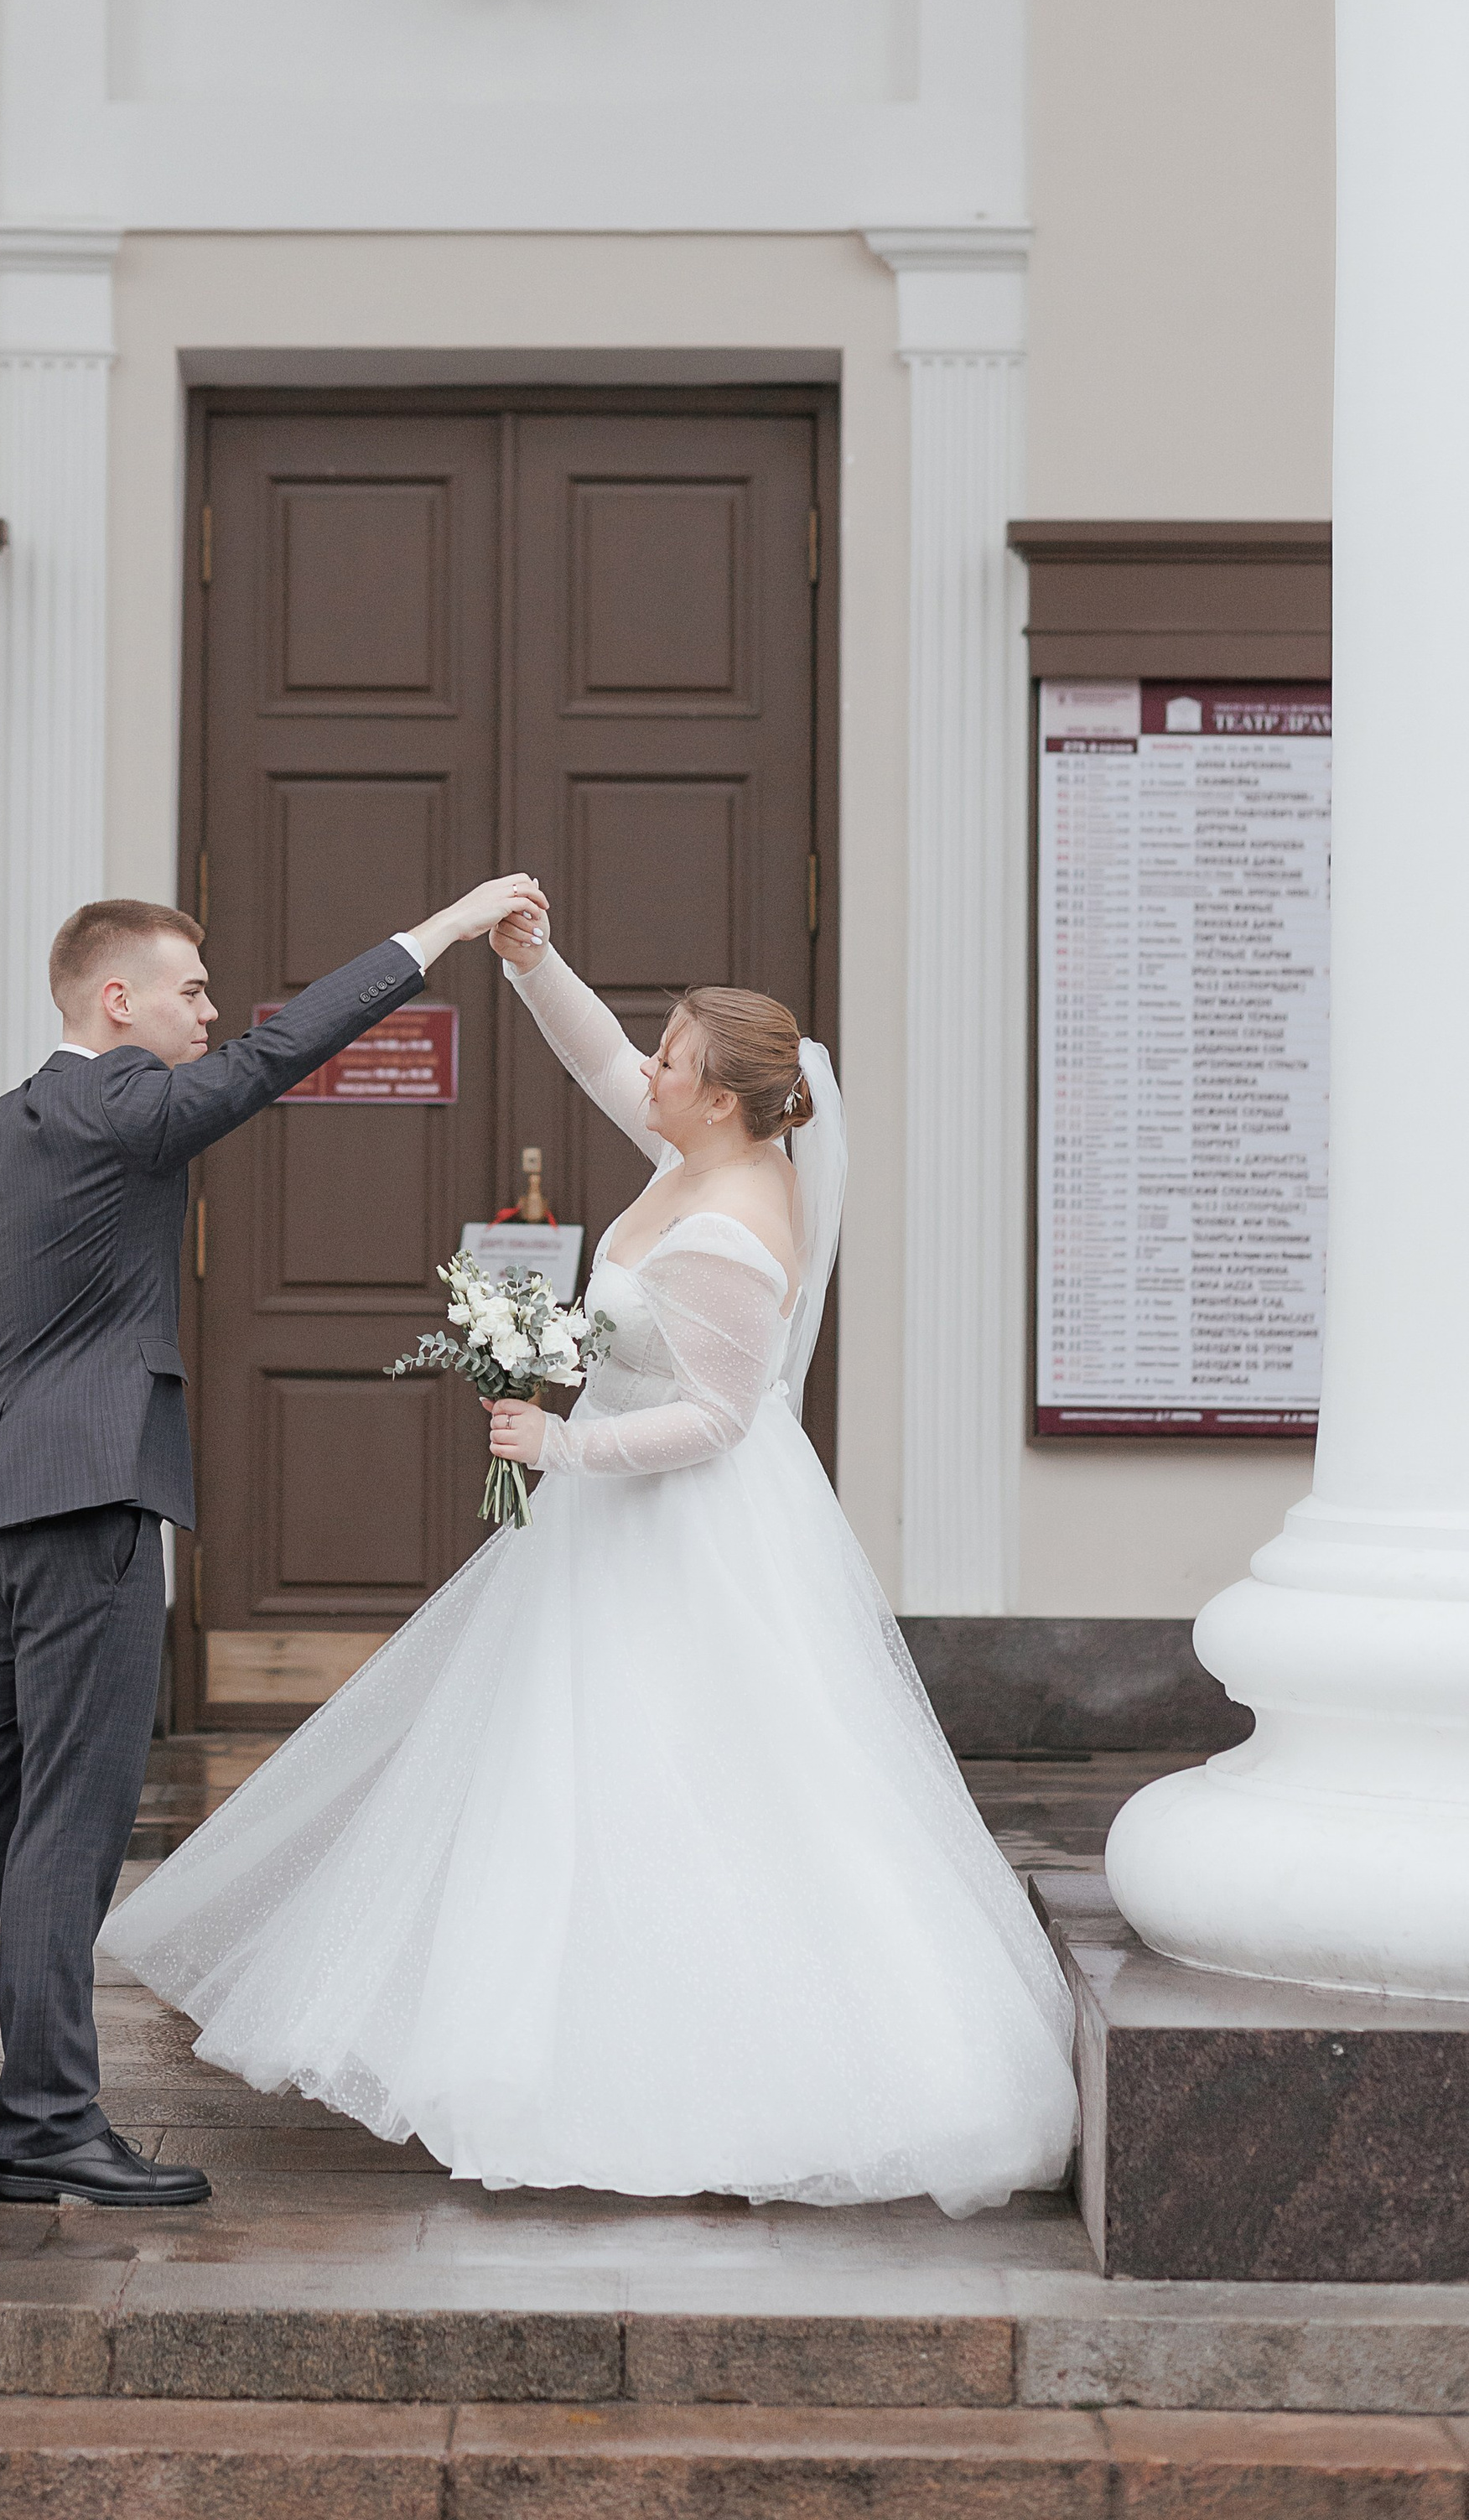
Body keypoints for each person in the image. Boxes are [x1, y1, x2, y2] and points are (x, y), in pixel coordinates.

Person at [106, 899, 1079, 2213]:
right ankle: (515, 2033)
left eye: (674, 1059)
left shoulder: (734, 1224)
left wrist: (562, 1446)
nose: (651, 1070)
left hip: (685, 1530)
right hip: (610, 1522)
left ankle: (682, 2069)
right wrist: (532, 961)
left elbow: (722, 1422)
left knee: (684, 1775)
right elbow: (599, 1064)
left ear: (730, 1106)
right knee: (548, 1768)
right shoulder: (694, 1153)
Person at [0, 870, 550, 2211]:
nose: (212, 1013)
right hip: (94, 1500)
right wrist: (441, 931)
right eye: (189, 990)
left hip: (1, 1502)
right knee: (69, 1815)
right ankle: (50, 2118)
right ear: (114, 1001)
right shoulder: (117, 1104)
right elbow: (277, 1057)